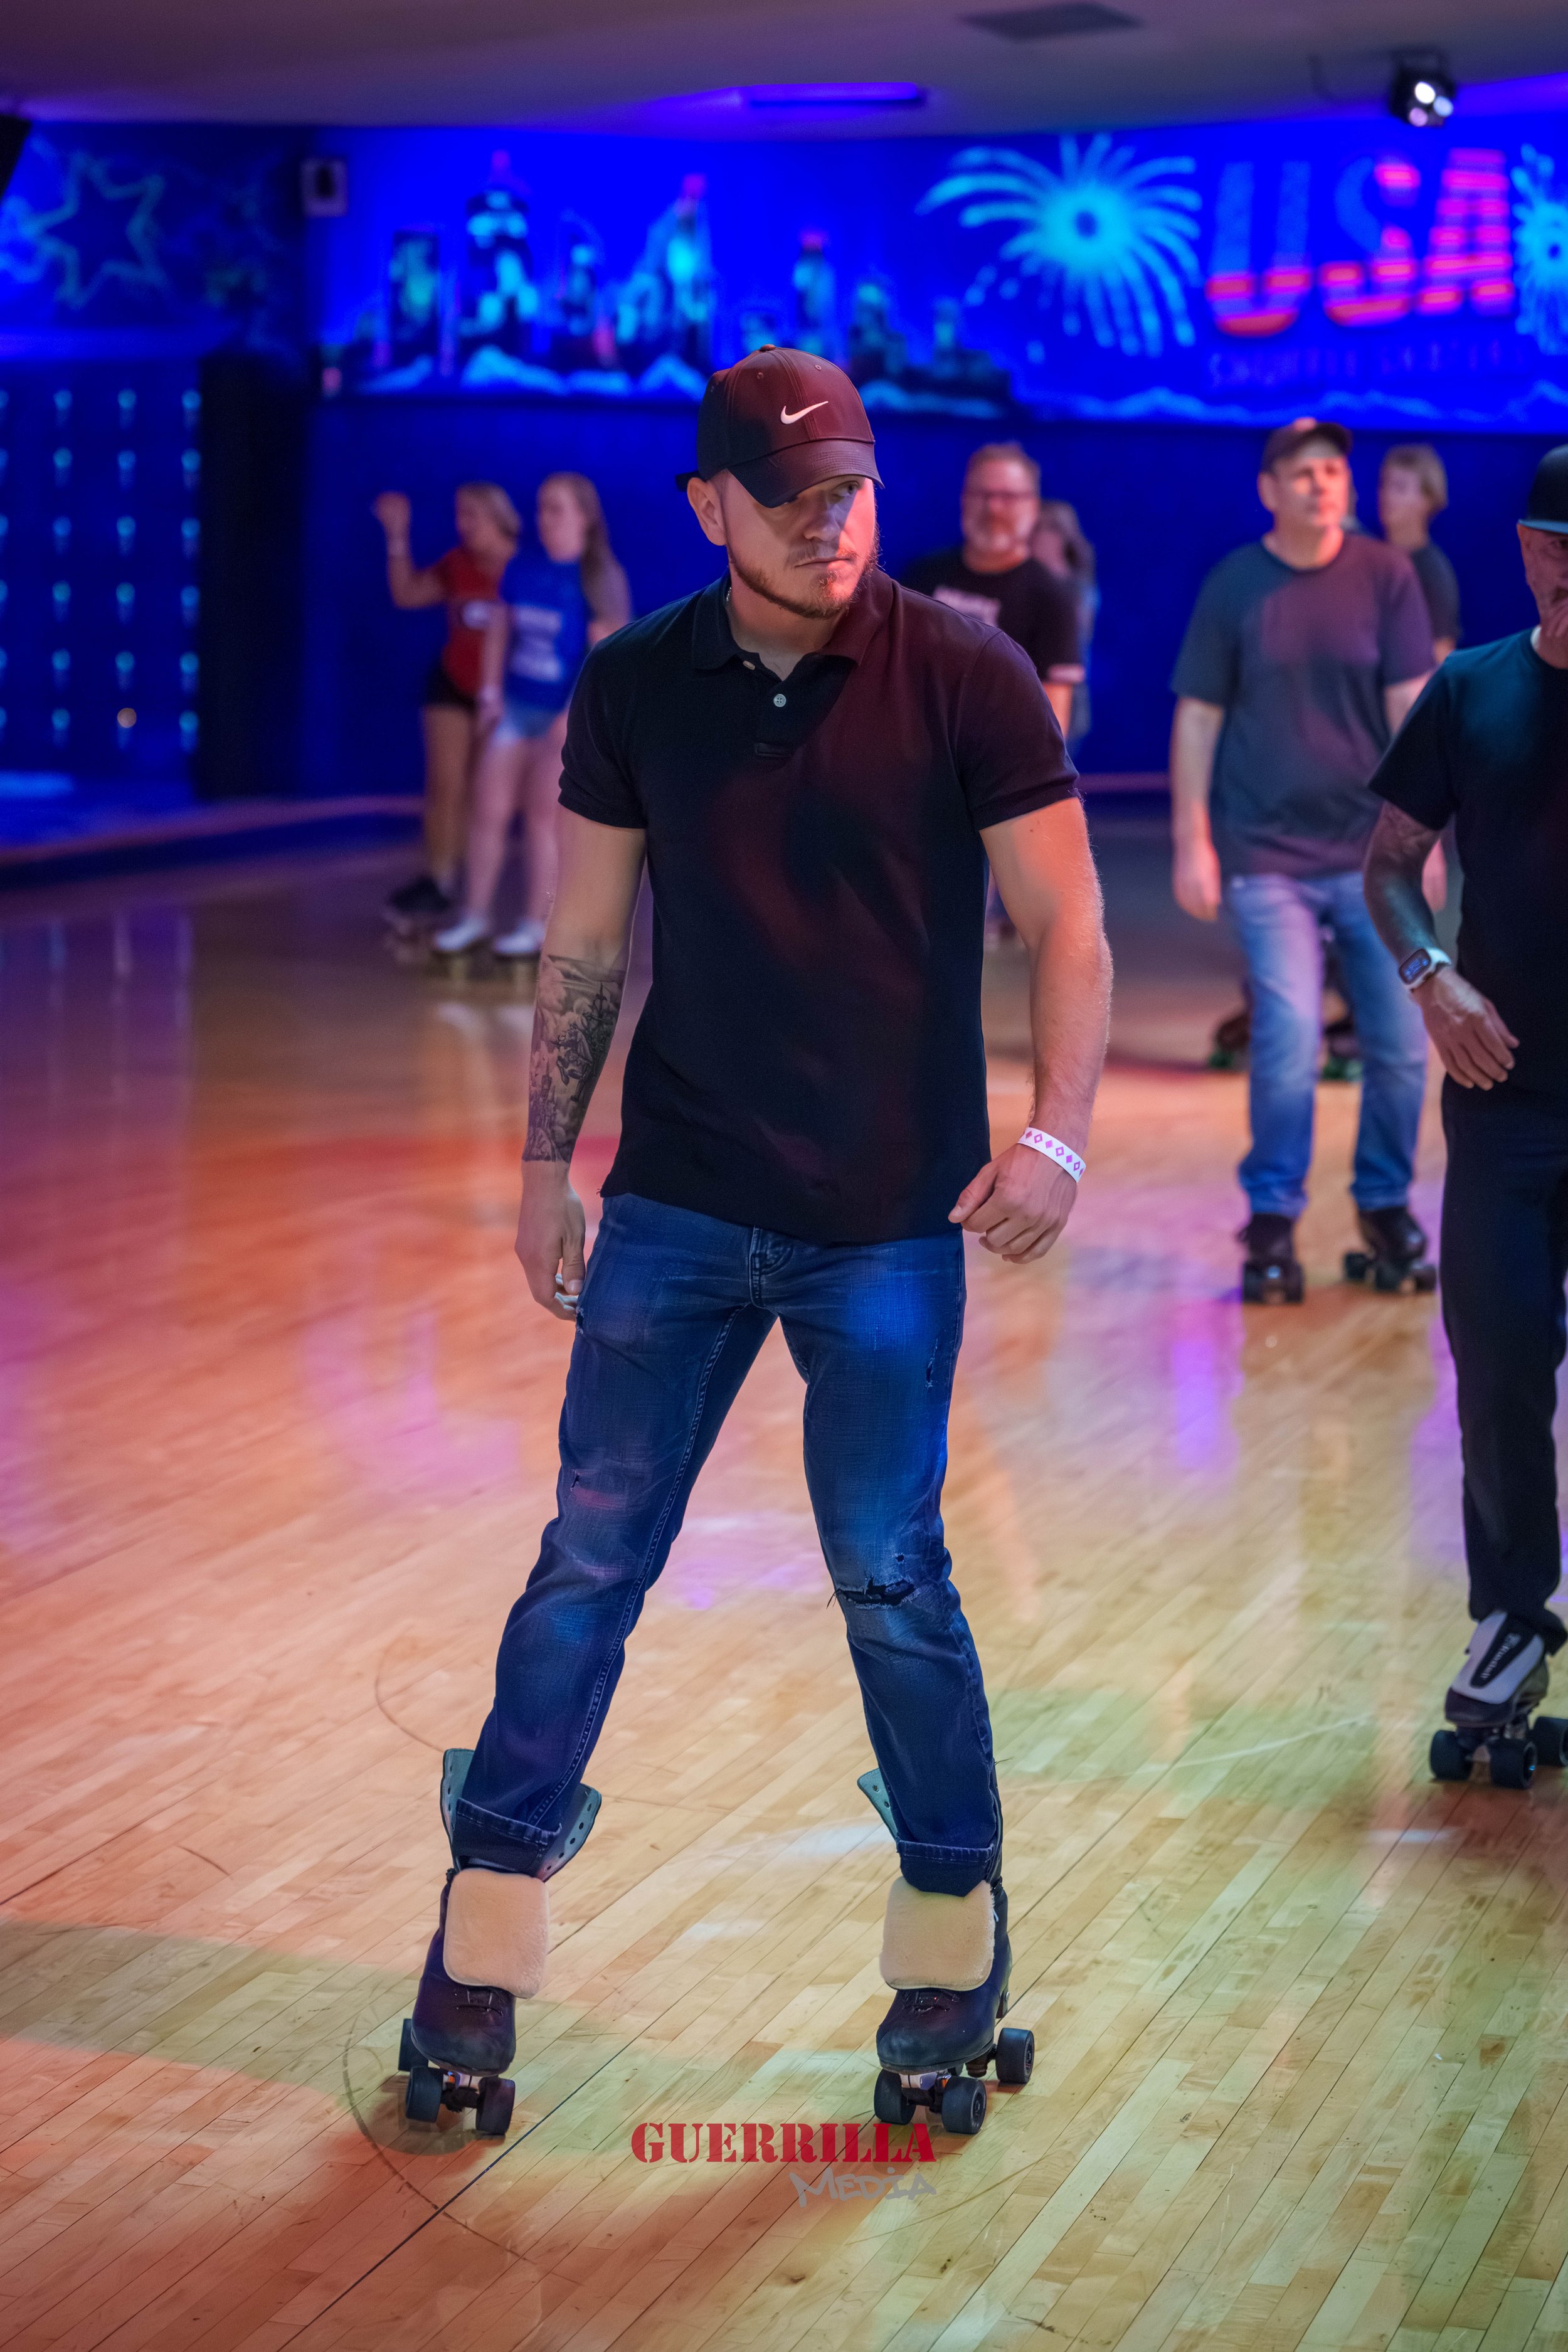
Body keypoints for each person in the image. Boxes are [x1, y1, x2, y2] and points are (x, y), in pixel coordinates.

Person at [402, 347, 1112, 2128]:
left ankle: (949, 1943)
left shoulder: (963, 669)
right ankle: (477, 1941)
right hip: (679, 1197)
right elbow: (583, 939)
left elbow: (1068, 918)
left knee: (890, 1577)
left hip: (886, 1217)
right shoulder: (638, 680)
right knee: (588, 1559)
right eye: (791, 498)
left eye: (852, 489)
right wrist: (544, 1159)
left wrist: (1054, 1129)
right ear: (706, 505)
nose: (831, 522)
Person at [1363, 445, 1568, 1769]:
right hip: (1502, 1097)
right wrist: (1429, 976)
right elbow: (1389, 866)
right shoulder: (1468, 690)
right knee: (1495, 1365)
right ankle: (1511, 1620)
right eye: (1560, 546)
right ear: (1527, 550)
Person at [1170, 416, 1434, 1299]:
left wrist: (1425, 838)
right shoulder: (1236, 584)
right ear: (1268, 491)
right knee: (1286, 1038)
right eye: (1303, 472)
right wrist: (1192, 839)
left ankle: (1385, 1206)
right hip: (1267, 855)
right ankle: (1273, 1216)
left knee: (1400, 1044)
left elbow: (1410, 710)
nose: (1322, 483)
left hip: (1372, 858)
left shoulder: (1387, 577)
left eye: (1333, 471)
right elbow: (1198, 718)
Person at [434, 475, 631, 959]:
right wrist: (490, 692)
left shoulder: (597, 578)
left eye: (556, 509)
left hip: (564, 716)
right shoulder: (523, 569)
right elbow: (500, 626)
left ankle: (536, 924)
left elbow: (608, 660)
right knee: (489, 808)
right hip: (518, 708)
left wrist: (572, 716)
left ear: (584, 518)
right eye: (542, 508)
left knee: (544, 817)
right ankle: (475, 917)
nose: (545, 519)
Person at [372, 482, 519, 926]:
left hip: (504, 693)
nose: (463, 525)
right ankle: (438, 882)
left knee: (482, 792)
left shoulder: (524, 568)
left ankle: (478, 892)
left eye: (472, 515)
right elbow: (407, 593)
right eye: (459, 516)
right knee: (444, 786)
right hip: (452, 685)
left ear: (498, 517)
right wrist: (397, 535)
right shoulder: (458, 564)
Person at [903, 443, 1083, 737]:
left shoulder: (1052, 598)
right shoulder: (922, 576)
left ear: (1033, 506)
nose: (993, 508)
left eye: (1008, 497)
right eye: (982, 494)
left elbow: (1053, 724)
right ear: (963, 499)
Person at [1379, 443, 1461, 662]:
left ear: (1428, 499)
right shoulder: (1371, 559)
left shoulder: (1432, 571)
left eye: (1400, 487)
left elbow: (1442, 654)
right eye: (1384, 485)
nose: (1387, 496)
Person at [1032, 499, 1098, 751]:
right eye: (1037, 527)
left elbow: (1078, 635)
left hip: (1065, 691)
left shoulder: (1078, 587)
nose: (1042, 536)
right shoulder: (1024, 581)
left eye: (1051, 528)